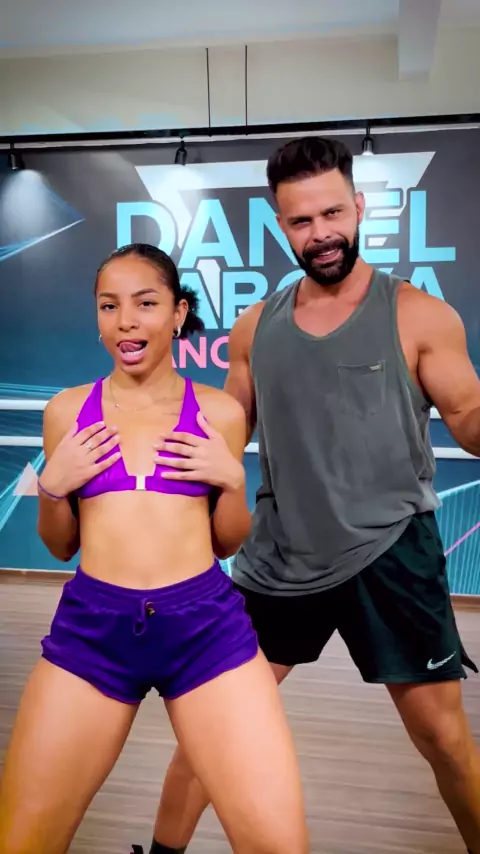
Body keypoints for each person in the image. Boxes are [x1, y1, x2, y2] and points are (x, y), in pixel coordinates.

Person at [150, 138, 480, 854]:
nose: (320, 233)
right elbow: (224, 433)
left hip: (391, 554)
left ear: (358, 208)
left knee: (444, 740)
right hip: (280, 559)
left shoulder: (419, 316)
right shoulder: (254, 329)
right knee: (216, 727)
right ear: (281, 226)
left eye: (332, 213)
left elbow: (470, 421)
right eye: (301, 221)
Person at [0, 243, 309, 854]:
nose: (126, 322)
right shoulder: (67, 411)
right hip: (93, 632)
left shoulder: (219, 412)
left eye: (145, 304)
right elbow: (60, 546)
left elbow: (227, 539)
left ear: (177, 312)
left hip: (206, 631)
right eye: (109, 306)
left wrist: (232, 481)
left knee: (279, 845)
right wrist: (53, 488)